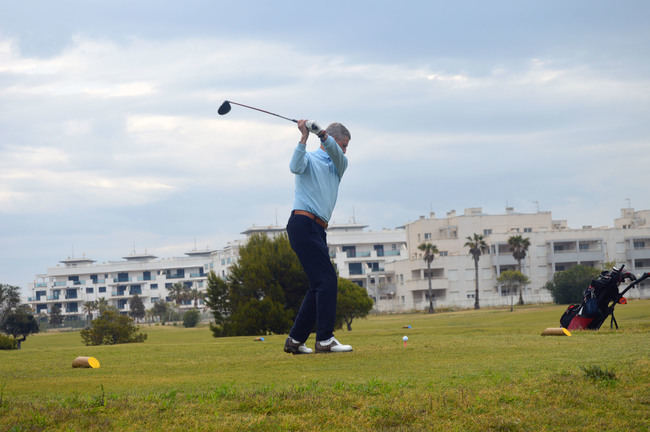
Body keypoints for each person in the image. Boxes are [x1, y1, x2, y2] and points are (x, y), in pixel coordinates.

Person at [283, 119, 353, 354]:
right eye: (343, 144)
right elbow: (294, 166)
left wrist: (322, 134)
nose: (343, 150)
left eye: (345, 146)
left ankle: (295, 340)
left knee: (318, 284)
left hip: (318, 229)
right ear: (334, 140)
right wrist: (304, 137)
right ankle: (324, 339)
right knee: (327, 280)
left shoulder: (339, 164)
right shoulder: (309, 159)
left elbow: (334, 150)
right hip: (302, 223)